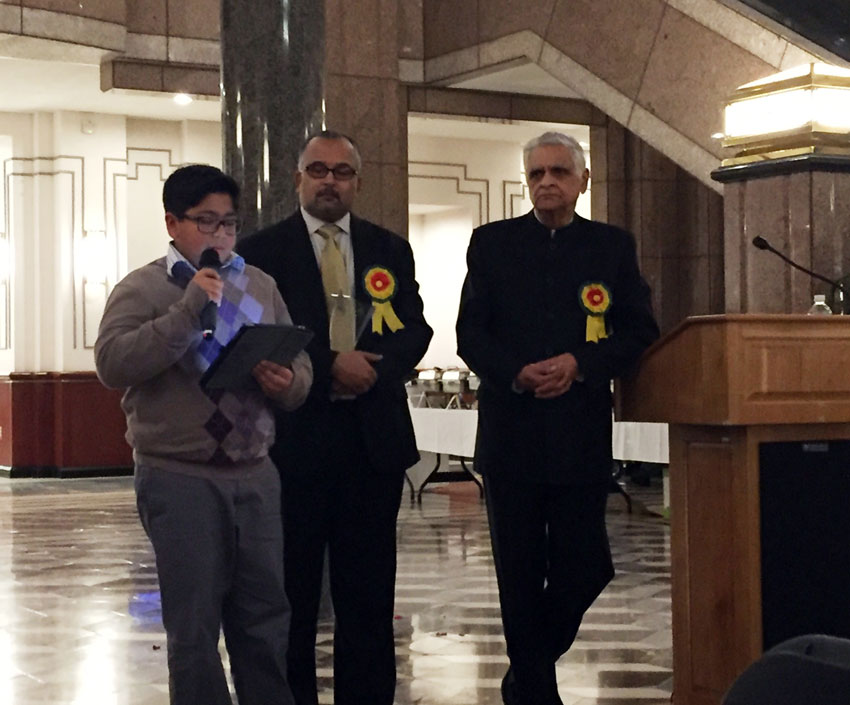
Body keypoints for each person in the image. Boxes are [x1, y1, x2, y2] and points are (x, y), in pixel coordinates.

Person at [95, 164, 312, 705]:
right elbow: (112, 363)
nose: (219, 236)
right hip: (180, 475)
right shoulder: (143, 287)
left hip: (255, 474)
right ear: (173, 222)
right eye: (205, 223)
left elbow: (299, 363)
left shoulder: (258, 283)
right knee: (193, 630)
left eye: (228, 224)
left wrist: (288, 382)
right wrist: (188, 310)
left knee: (265, 620)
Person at [456, 132, 660, 705]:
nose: (547, 181)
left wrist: (581, 362)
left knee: (586, 566)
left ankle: (525, 676)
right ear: (527, 182)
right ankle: (537, 695)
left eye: (559, 172)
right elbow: (470, 332)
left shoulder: (611, 247)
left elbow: (640, 331)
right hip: (511, 436)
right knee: (517, 577)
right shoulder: (491, 244)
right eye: (538, 173)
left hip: (579, 434)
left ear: (582, 181)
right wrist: (518, 372)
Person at [237, 130, 432, 705]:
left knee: (369, 598)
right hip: (293, 446)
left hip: (372, 446)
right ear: (297, 179)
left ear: (357, 182)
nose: (329, 181)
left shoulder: (389, 249)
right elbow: (257, 340)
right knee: (290, 595)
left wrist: (374, 367)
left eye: (342, 172)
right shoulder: (262, 251)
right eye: (318, 170)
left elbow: (415, 328)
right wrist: (328, 367)